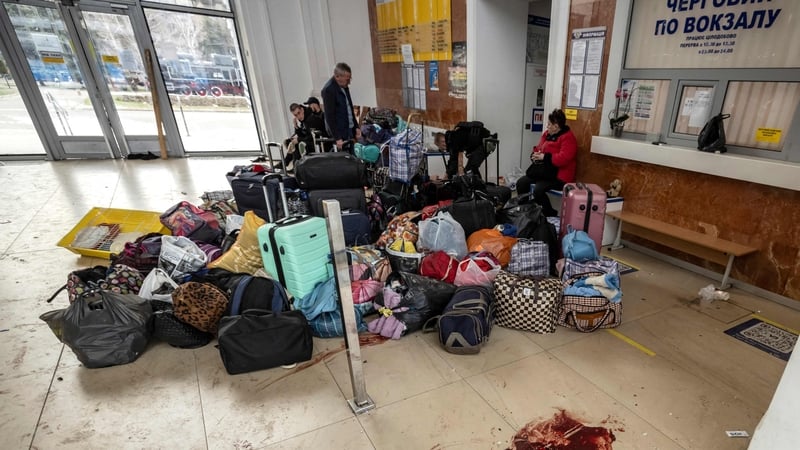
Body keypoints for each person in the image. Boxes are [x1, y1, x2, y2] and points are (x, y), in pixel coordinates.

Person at [516, 109, 577, 216]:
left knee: (538, 190)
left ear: (556, 126)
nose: (547, 127)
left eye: (549, 124)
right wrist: (534, 155)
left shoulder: (568, 138)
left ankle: (549, 213)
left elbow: (564, 158)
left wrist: (545, 157)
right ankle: (526, 210)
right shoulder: (547, 134)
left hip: (559, 176)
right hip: (544, 172)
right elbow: (539, 147)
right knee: (521, 183)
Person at [321, 62, 361, 152]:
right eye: (347, 79)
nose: (349, 82)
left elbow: (349, 108)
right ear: (337, 77)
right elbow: (329, 116)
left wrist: (356, 127)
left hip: (349, 129)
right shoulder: (328, 90)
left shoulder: (344, 86)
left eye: (349, 79)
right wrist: (337, 137)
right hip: (340, 133)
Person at [279, 102, 328, 170]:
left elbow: (312, 136)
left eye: (299, 113)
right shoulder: (303, 119)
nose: (298, 116)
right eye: (295, 115)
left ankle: (292, 166)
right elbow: (303, 134)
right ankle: (287, 164)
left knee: (297, 144)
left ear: (302, 109)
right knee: (289, 142)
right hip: (312, 139)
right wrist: (296, 127)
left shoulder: (311, 118)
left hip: (320, 141)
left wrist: (299, 139)